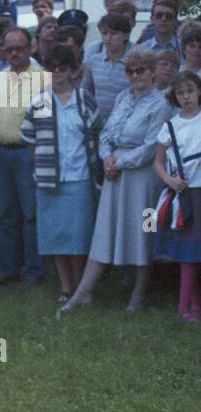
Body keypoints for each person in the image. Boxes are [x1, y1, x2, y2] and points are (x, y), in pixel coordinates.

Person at [62, 48, 172, 313]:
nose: (135, 76)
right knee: (105, 232)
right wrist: (107, 158)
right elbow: (108, 132)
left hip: (143, 179)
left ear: (153, 71)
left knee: (142, 232)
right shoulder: (122, 97)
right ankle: (82, 292)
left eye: (141, 70)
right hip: (115, 174)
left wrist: (119, 162)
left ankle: (139, 292)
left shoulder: (161, 104)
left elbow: (151, 146)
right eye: (130, 71)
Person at [21, 45, 105, 303]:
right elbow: (29, 137)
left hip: (79, 176)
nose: (57, 72)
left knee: (78, 236)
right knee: (55, 235)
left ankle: (82, 289)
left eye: (63, 67)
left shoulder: (84, 99)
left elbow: (96, 132)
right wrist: (42, 165)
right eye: (52, 67)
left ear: (73, 70)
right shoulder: (40, 101)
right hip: (49, 178)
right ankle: (66, 288)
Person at [0, 27, 45, 287]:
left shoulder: (42, 78)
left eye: (20, 48)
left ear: (30, 48)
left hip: (25, 153)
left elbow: (46, 119)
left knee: (30, 214)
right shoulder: (0, 76)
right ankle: (8, 268)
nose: (14, 53)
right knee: (6, 215)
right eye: (9, 49)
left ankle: (33, 271)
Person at [151, 71, 201, 321]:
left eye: (190, 91)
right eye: (181, 93)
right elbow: (157, 163)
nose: (186, 97)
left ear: (199, 91)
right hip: (185, 195)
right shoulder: (171, 126)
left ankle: (195, 304)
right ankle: (184, 307)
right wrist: (170, 180)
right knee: (188, 254)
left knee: (195, 253)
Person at [83, 12, 132, 118]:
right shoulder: (93, 61)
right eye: (104, 33)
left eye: (113, 33)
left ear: (125, 36)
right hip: (98, 123)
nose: (108, 38)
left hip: (125, 122)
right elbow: (85, 93)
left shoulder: (134, 64)